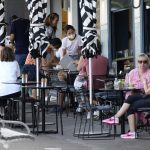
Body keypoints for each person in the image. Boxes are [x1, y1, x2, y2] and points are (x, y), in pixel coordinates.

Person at [102, 53, 150, 139]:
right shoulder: (133, 72)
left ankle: (122, 123)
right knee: (130, 98)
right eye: (140, 62)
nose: (142, 64)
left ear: (148, 62)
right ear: (137, 62)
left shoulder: (149, 73)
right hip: (139, 95)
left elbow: (147, 91)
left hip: (146, 96)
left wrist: (144, 82)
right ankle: (128, 128)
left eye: (145, 62)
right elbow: (127, 84)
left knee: (130, 102)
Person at [0, 46, 21, 115]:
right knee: (12, 98)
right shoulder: (15, 63)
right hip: (16, 91)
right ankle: (12, 111)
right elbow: (18, 76)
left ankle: (4, 109)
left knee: (2, 95)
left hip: (2, 91)